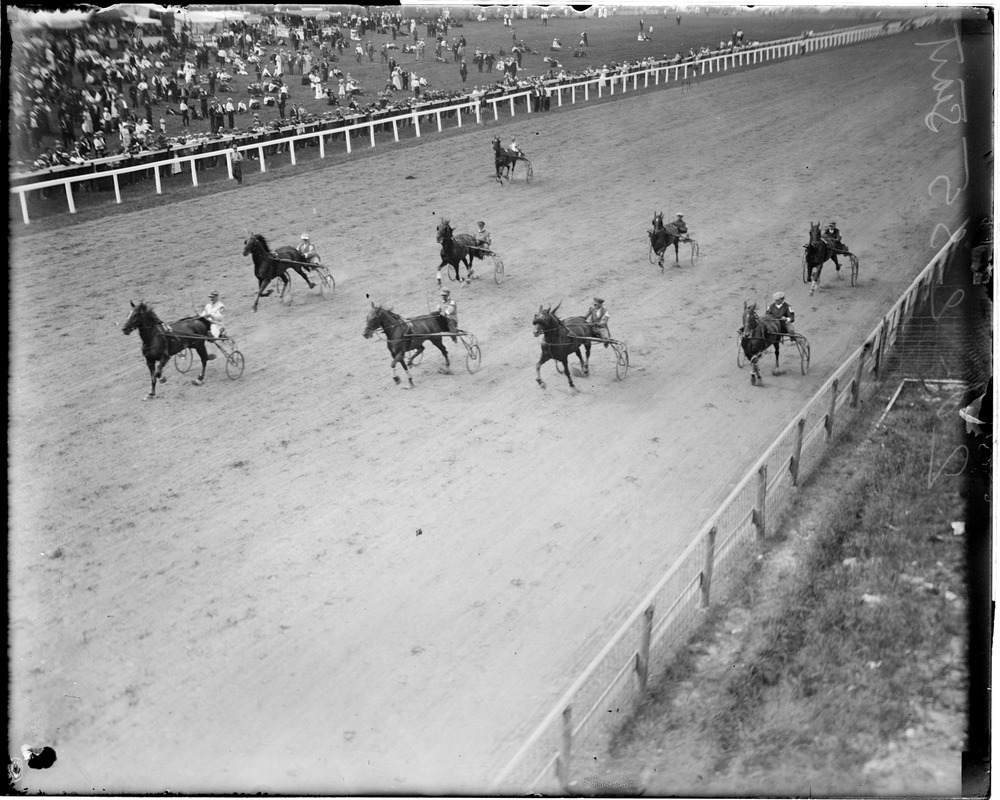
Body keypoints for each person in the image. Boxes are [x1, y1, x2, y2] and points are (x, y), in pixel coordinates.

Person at [201, 291, 226, 358]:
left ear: (217, 297)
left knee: (212, 333)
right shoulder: (208, 306)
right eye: (210, 297)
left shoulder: (220, 306)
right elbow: (203, 314)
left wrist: (211, 315)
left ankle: (212, 354)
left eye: (213, 297)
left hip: (217, 325)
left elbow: (220, 317)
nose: (211, 299)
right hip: (208, 324)